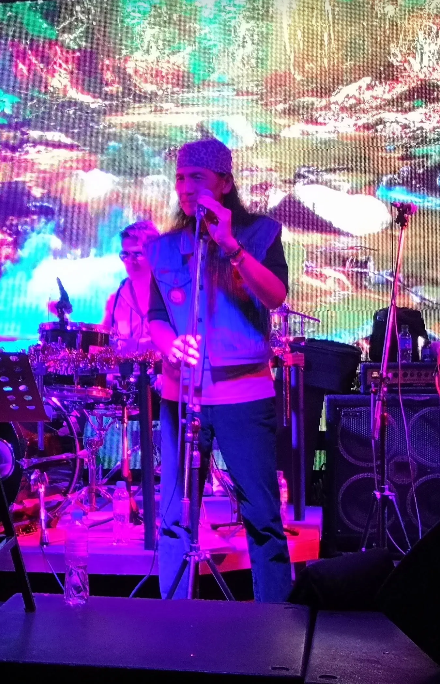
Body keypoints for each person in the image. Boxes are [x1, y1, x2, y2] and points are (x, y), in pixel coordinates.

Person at [147, 138, 292, 601]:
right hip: (181, 397)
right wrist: (170, 345)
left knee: (262, 517)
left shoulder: (261, 233)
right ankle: (175, 616)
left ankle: (275, 622)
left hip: (244, 398)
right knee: (175, 517)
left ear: (224, 183)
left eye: (198, 177)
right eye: (180, 177)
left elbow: (275, 296)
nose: (186, 187)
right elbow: (155, 317)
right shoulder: (164, 247)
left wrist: (231, 246)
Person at [102, 221, 161, 355]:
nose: (130, 261)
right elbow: (100, 342)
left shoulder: (170, 295)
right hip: (124, 369)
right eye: (125, 255)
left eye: (138, 254)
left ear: (155, 253)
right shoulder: (115, 299)